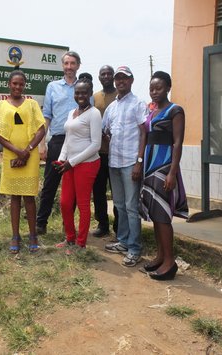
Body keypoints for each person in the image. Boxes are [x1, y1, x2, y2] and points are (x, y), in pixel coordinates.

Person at [0, 70, 46, 253]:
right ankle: (15, 235)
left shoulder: (32, 104)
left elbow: (41, 129)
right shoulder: (0, 105)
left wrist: (27, 150)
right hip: (12, 155)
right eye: (14, 83)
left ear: (24, 86)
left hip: (30, 155)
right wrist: (17, 151)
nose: (18, 87)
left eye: (21, 84)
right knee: (14, 197)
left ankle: (33, 235)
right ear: (8, 84)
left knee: (29, 196)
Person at [139, 71, 189, 280]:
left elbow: (177, 142)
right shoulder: (151, 112)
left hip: (164, 168)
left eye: (158, 88)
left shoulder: (175, 111)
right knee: (155, 215)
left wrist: (172, 172)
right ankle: (160, 256)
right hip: (150, 168)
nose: (154, 92)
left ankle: (170, 262)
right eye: (151, 88)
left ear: (168, 87)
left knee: (163, 216)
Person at [103, 66, 148, 267]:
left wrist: (139, 161)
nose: (120, 81)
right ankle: (122, 241)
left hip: (131, 162)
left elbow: (144, 133)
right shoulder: (112, 107)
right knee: (119, 205)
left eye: (124, 78)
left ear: (131, 80)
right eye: (118, 78)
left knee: (131, 207)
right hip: (114, 162)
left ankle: (135, 248)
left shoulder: (138, 104)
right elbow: (106, 131)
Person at [36, 51, 82, 235]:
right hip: (57, 141)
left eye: (73, 63)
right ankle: (41, 223)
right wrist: (42, 144)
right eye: (66, 63)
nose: (69, 67)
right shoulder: (53, 87)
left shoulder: (84, 88)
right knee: (50, 184)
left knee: (74, 186)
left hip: (78, 143)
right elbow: (46, 115)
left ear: (78, 65)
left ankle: (67, 224)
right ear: (63, 66)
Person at [55, 78, 101, 254]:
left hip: (87, 164)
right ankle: (70, 238)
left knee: (82, 204)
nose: (80, 95)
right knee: (65, 203)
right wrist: (61, 159)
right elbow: (68, 139)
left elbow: (95, 145)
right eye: (77, 92)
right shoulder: (71, 113)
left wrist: (71, 162)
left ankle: (80, 244)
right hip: (69, 165)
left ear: (90, 94)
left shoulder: (94, 113)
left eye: (84, 92)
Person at [91, 65, 119, 238]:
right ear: (99, 77)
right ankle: (102, 224)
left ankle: (119, 226)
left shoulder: (120, 96)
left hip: (116, 153)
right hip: (98, 152)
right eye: (103, 74)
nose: (107, 76)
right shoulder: (94, 98)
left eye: (109, 74)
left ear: (114, 76)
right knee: (98, 190)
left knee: (117, 192)